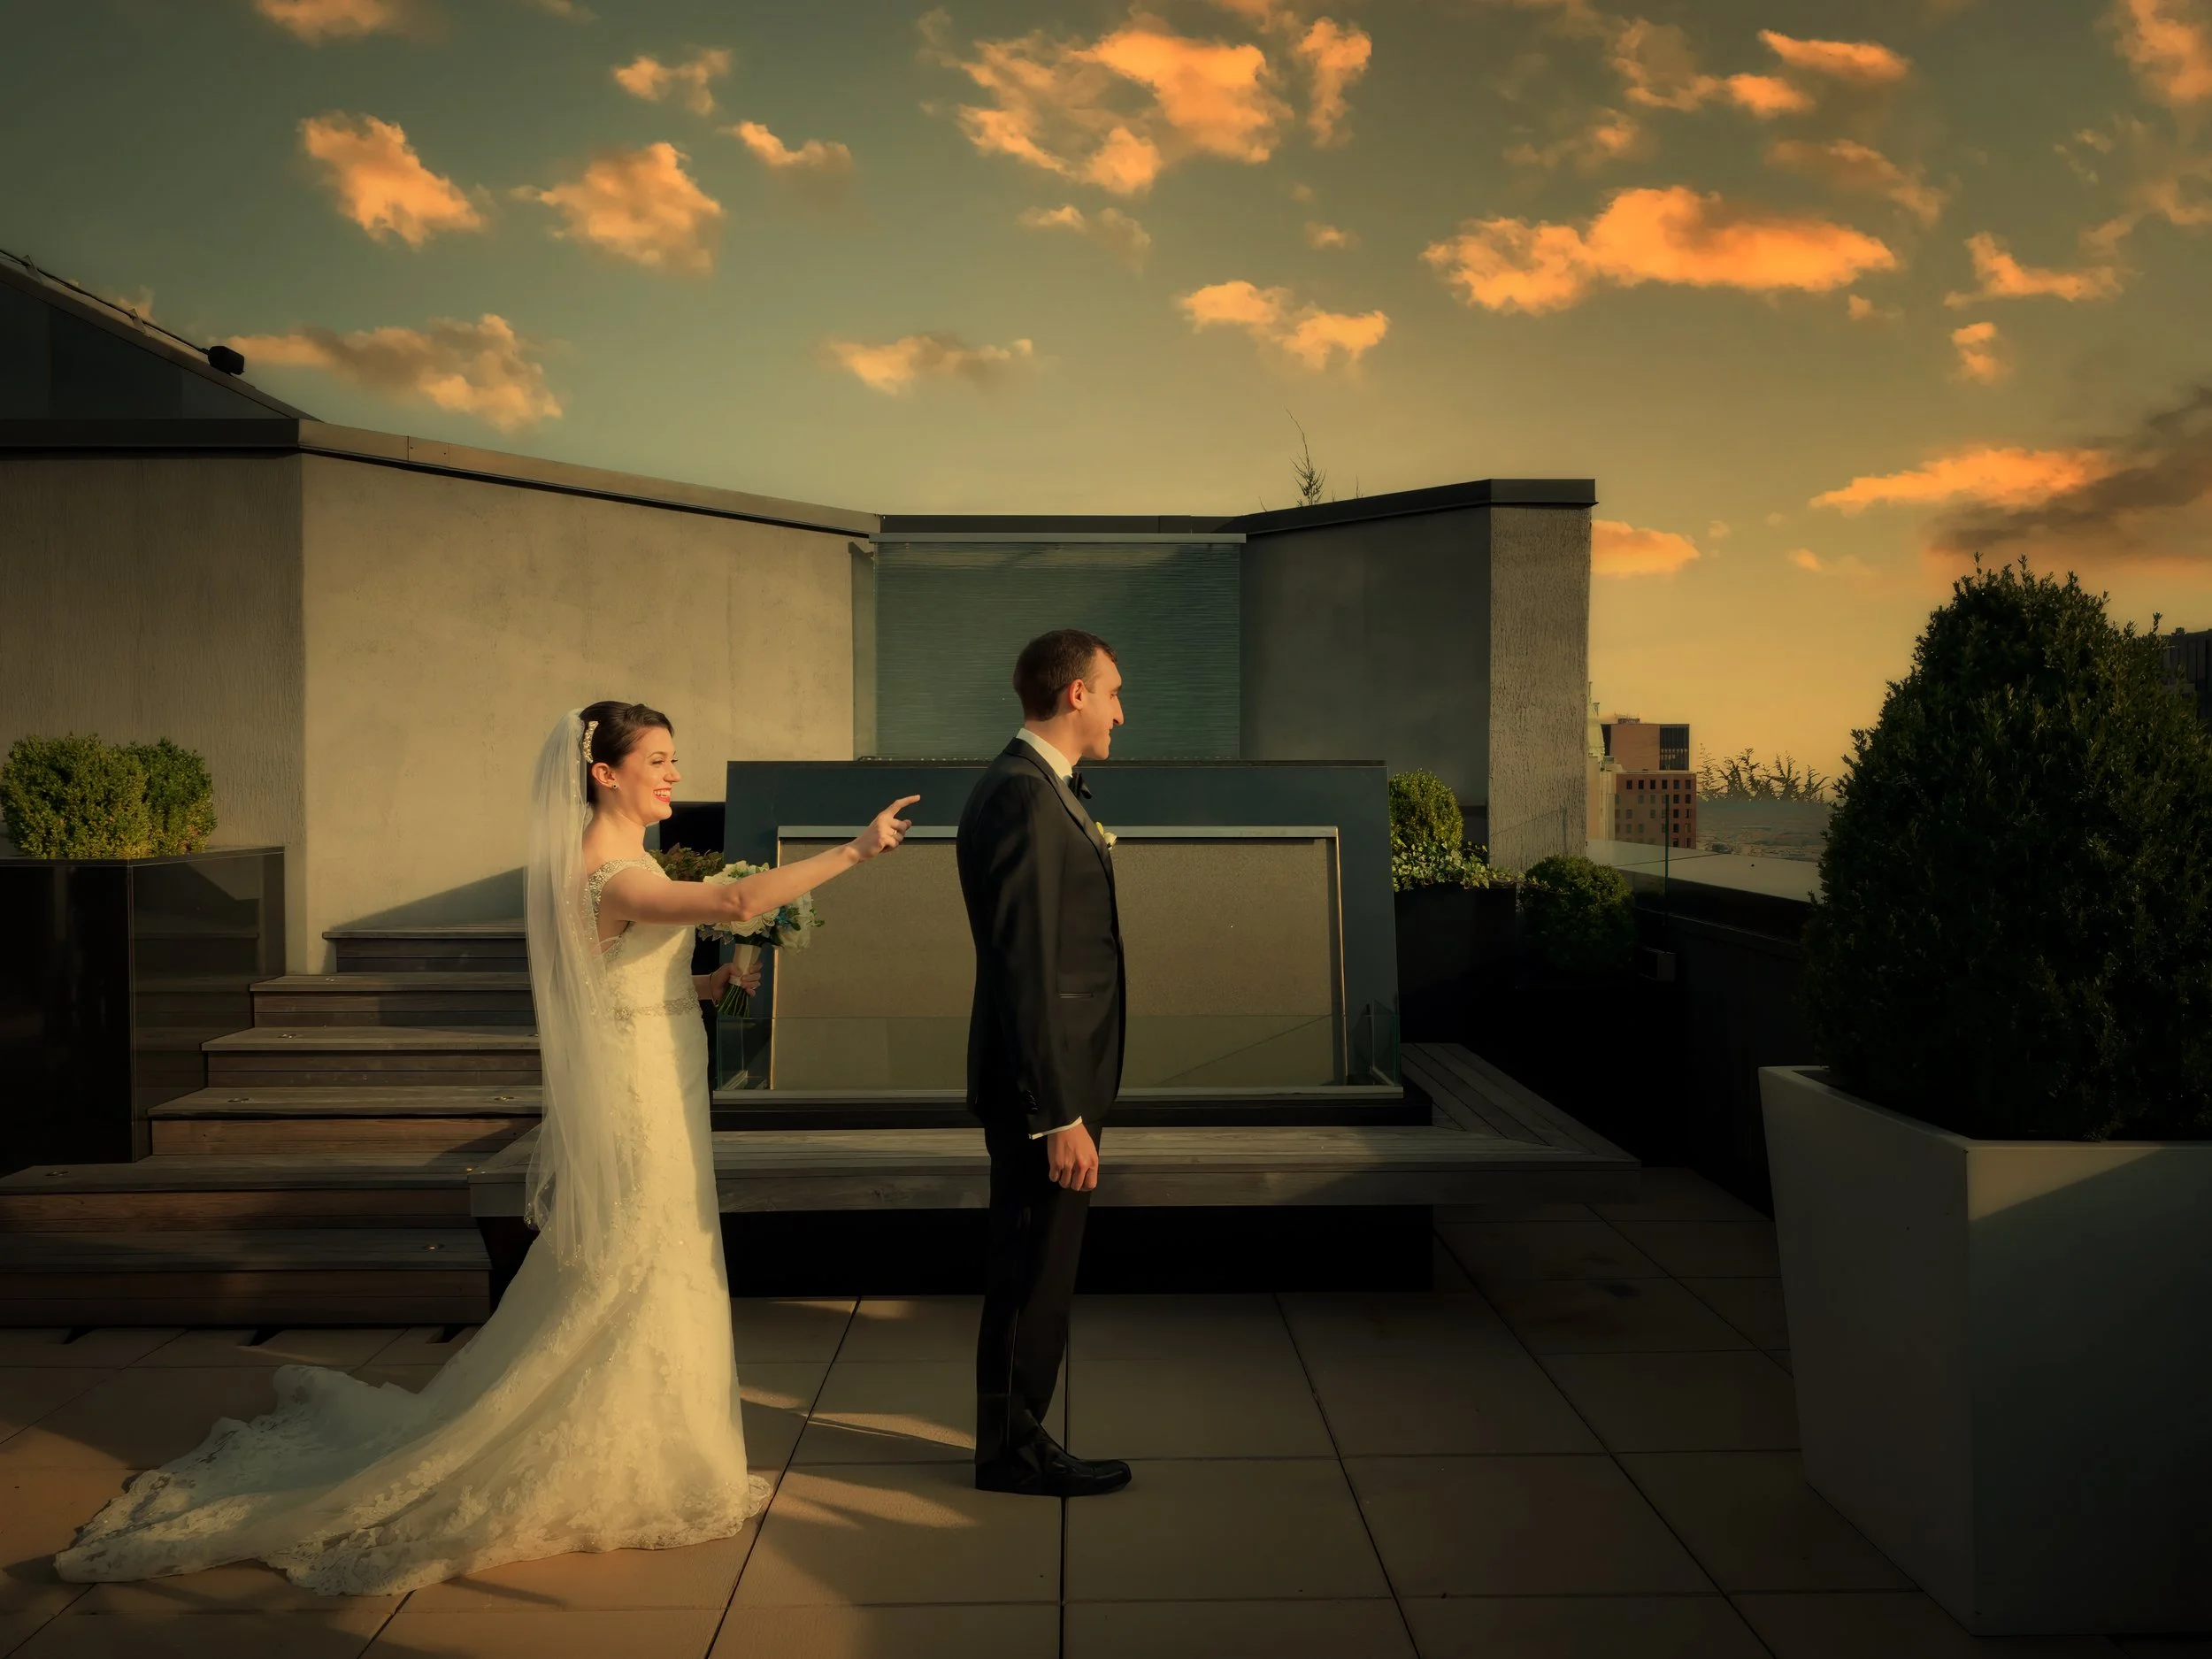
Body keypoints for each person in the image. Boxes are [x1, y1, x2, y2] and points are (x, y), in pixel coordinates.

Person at [52, 701, 918, 1596]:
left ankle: (667, 1449)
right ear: (603, 774)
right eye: (656, 760)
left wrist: (712, 977)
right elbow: (736, 898)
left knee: (653, 1259)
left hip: (660, 1075)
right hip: (637, 1099)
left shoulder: (628, 863)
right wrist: (852, 852)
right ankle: (629, 1457)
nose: (672, 775)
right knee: (642, 1262)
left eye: (674, 759)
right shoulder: (609, 871)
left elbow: (631, 975)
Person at [956, 629, 1132, 1498]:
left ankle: (1015, 1437)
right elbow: (1024, 965)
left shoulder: (1039, 789)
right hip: (1043, 1092)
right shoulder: (1024, 797)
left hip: (1055, 1084)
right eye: (1112, 694)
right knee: (1030, 1274)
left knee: (1035, 1268)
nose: (1118, 713)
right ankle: (1013, 1451)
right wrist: (1055, 1113)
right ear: (1074, 695)